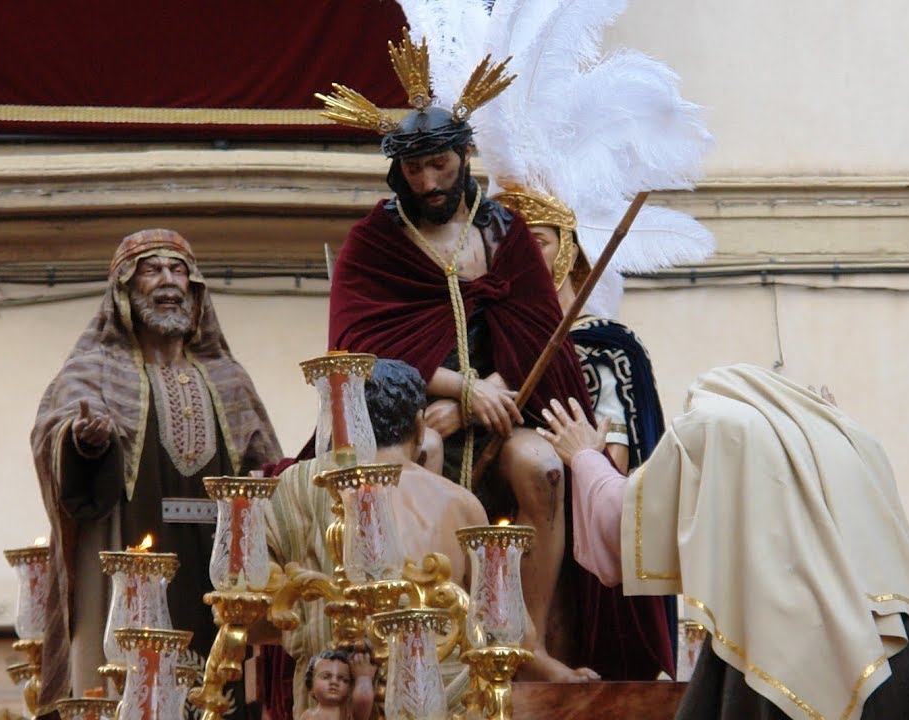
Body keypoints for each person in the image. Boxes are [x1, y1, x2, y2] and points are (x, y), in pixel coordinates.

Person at [316, 28, 670, 683]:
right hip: (420, 416)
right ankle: (423, 640)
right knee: (415, 474)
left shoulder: (504, 236)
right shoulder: (376, 241)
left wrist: (493, 398)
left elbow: (541, 338)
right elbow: (359, 342)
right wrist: (455, 391)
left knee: (544, 468)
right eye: (415, 169)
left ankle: (528, 638)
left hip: (509, 410)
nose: (428, 181)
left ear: (462, 155)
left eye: (440, 166)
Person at [535, 363, 909, 720]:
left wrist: (586, 456)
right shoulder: (842, 435)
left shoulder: (718, 423)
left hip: (788, 655)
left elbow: (622, 523)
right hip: (908, 657)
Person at [30, 228, 284, 718]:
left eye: (178, 270)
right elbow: (54, 431)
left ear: (194, 288)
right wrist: (84, 443)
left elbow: (267, 470)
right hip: (129, 552)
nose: (168, 281)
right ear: (125, 289)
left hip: (219, 568)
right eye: (152, 270)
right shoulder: (94, 370)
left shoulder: (230, 379)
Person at [260, 358, 564, 718]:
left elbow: (253, 617)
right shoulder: (459, 502)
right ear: (420, 427)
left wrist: (318, 621)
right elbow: (512, 634)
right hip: (446, 704)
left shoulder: (293, 488)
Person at [494, 188, 679, 678]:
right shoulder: (490, 347)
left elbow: (620, 462)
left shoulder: (606, 346)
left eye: (538, 242)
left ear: (569, 248)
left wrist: (587, 458)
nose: (525, 258)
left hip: (581, 532)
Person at [299, 649, 376, 720]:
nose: (334, 682)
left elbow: (363, 700)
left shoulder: (347, 713)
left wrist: (363, 678)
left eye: (343, 679)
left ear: (350, 688)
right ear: (311, 686)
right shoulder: (308, 715)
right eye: (326, 677)